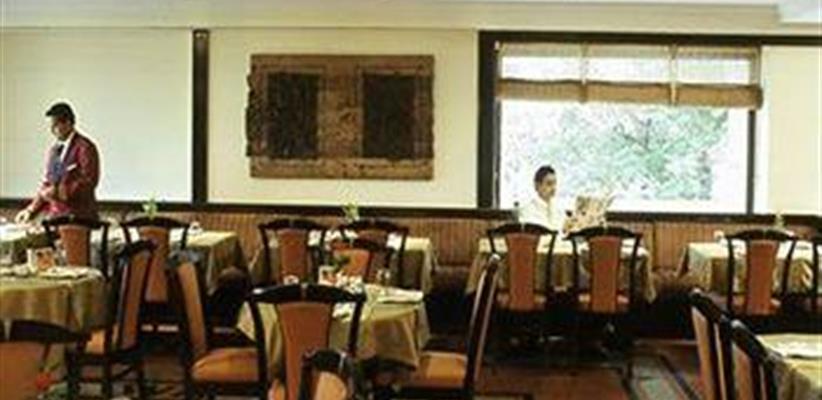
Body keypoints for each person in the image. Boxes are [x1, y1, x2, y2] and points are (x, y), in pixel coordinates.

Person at [15, 102, 100, 223]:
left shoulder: (85, 147)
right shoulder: (54, 151)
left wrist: (58, 192)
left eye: (55, 124)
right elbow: (47, 185)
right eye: (51, 125)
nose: (52, 129)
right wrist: (30, 210)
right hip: (54, 218)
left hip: (79, 219)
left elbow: (88, 182)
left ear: (68, 123)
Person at [518, 165, 567, 232]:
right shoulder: (527, 210)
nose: (553, 188)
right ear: (537, 186)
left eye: (555, 183)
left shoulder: (559, 208)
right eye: (549, 184)